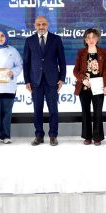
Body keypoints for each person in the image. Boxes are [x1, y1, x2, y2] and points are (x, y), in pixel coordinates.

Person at [23, 16, 66, 146]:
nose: (41, 27)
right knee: (37, 109)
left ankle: (53, 135)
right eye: (38, 24)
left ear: (47, 24)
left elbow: (62, 61)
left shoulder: (56, 39)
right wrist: (27, 80)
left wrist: (62, 78)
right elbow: (26, 62)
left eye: (43, 24)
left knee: (53, 109)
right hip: (35, 81)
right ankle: (39, 135)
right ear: (34, 26)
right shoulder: (29, 40)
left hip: (52, 80)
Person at [73, 28, 106, 146]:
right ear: (85, 40)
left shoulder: (103, 52)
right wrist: (83, 79)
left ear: (97, 39)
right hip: (84, 88)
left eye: (93, 37)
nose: (91, 40)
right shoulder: (81, 52)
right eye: (88, 37)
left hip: (98, 88)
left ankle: (97, 137)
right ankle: (87, 137)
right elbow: (75, 71)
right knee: (86, 112)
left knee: (98, 112)